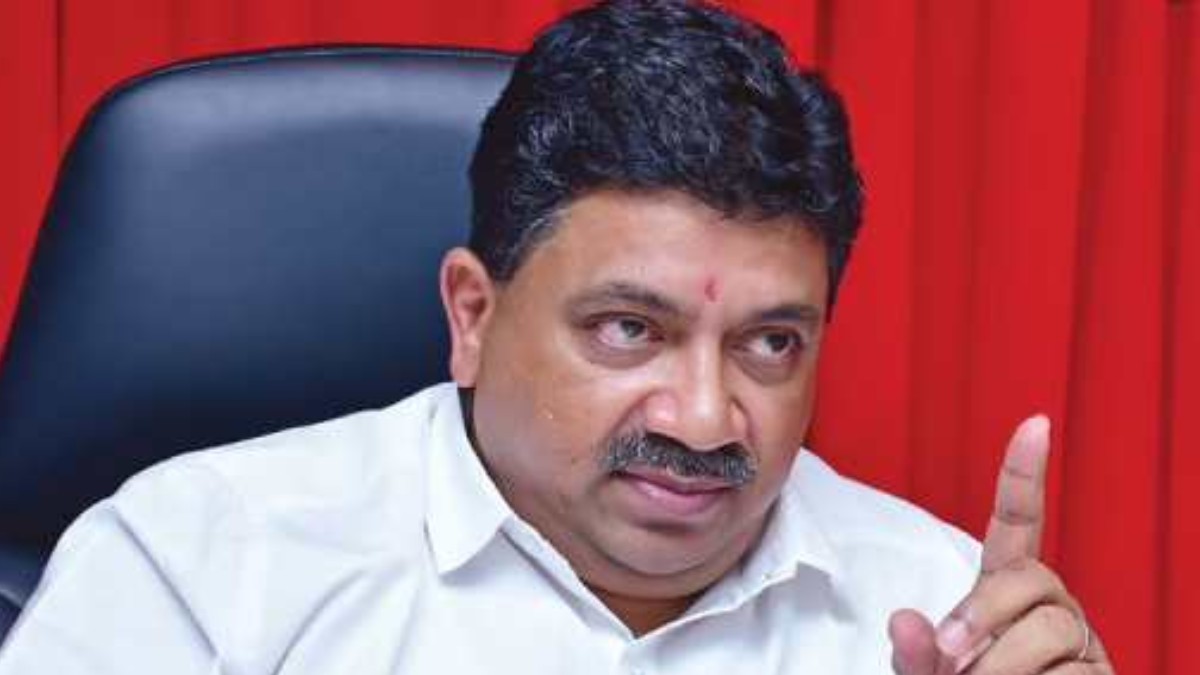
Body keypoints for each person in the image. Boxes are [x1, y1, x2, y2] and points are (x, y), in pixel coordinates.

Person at [0, 1, 1113, 673]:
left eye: (770, 344)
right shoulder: (199, 565)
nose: (705, 420)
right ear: (472, 315)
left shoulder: (944, 615)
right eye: (630, 329)